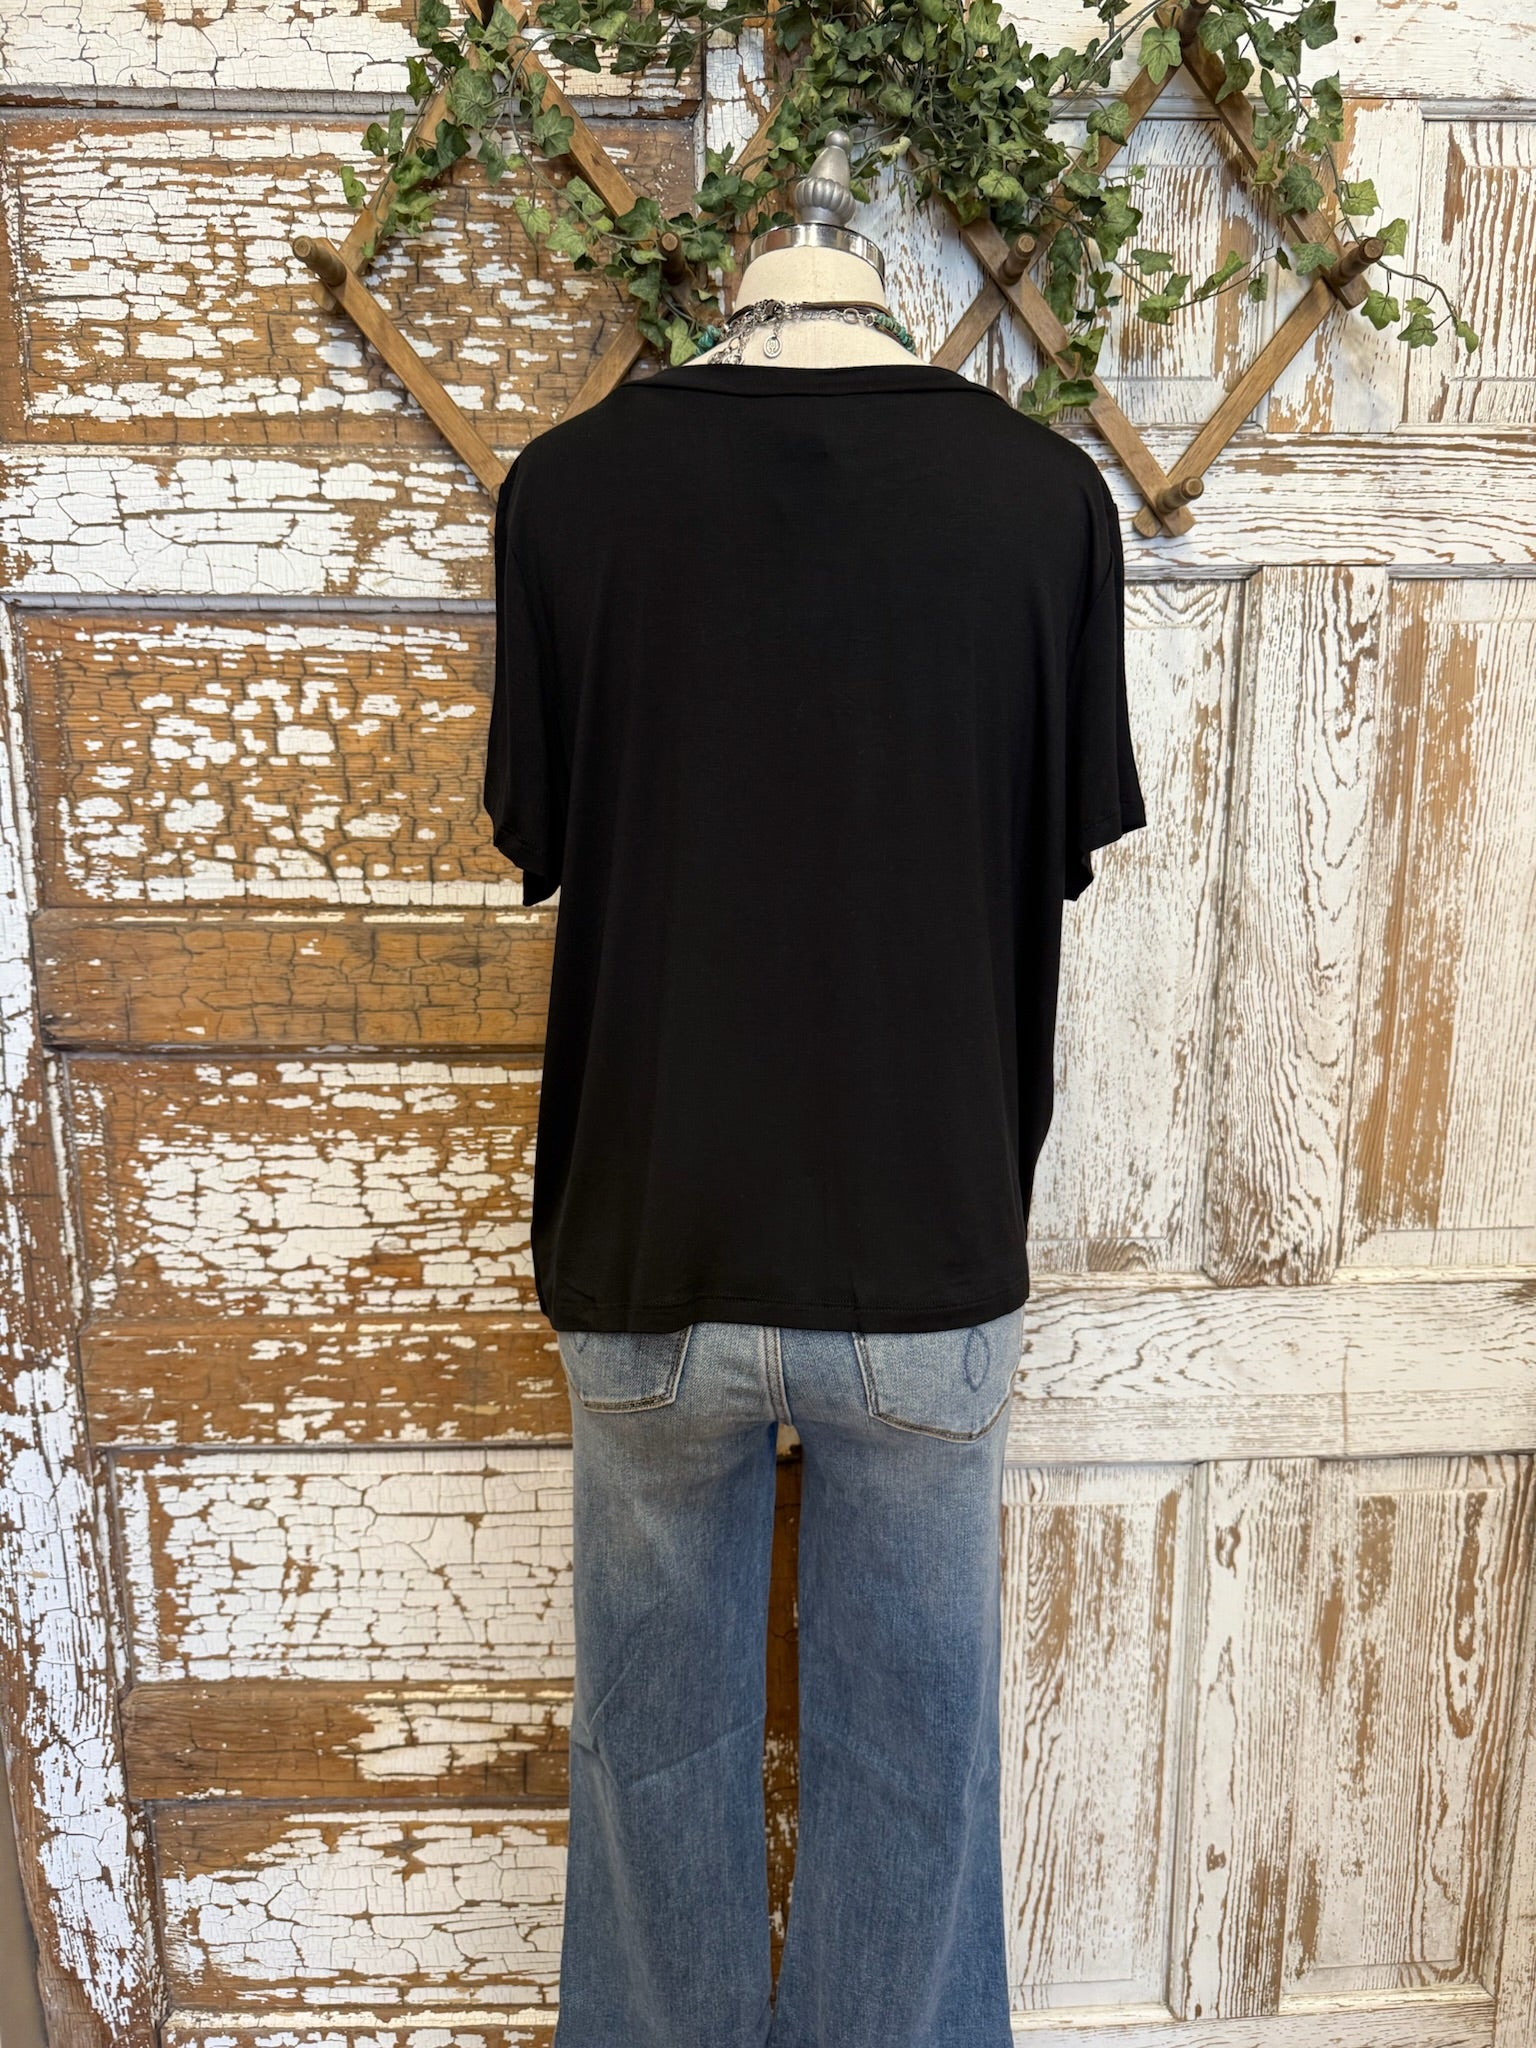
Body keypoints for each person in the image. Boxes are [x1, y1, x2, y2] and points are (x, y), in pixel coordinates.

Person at [483, 134, 1146, 2048]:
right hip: (924, 1255)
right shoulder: (1043, 503)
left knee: (650, 1773)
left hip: (649, 1252)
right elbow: (1056, 857)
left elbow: (547, 836)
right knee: (915, 1784)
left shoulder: (568, 495)